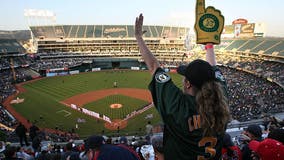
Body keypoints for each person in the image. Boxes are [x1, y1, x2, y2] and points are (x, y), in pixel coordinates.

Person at [135, 13, 230, 160]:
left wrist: (138, 37)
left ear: (187, 83)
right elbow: (213, 68)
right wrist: (209, 45)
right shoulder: (221, 101)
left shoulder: (178, 106)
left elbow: (154, 66)